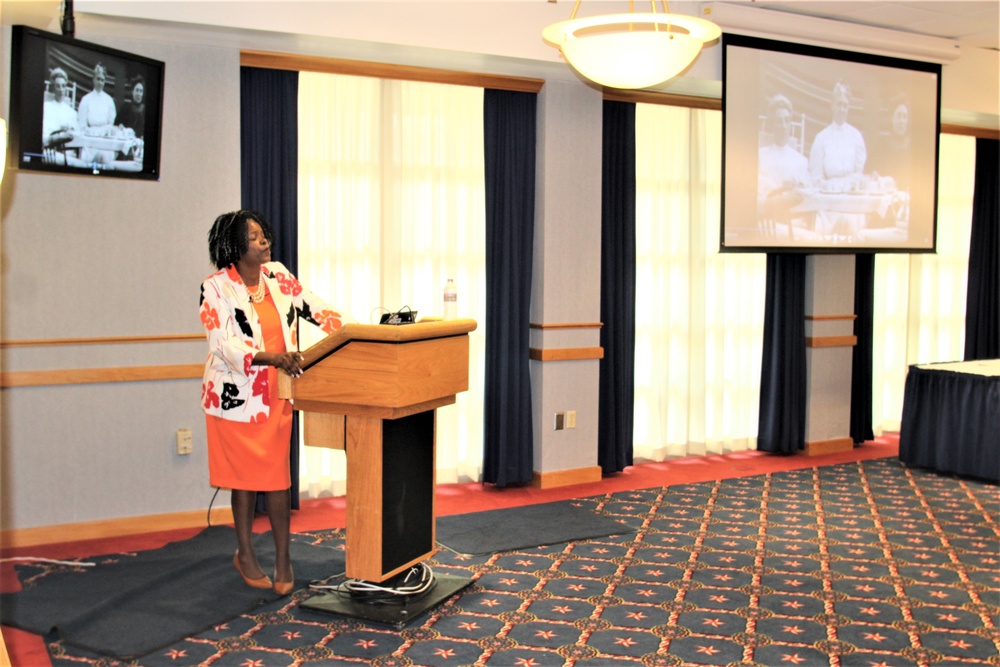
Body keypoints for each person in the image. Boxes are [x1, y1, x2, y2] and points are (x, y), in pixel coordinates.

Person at [199, 209, 352, 595]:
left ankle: (284, 558)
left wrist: (359, 330)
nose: (264, 240)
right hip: (236, 396)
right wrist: (272, 358)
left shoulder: (279, 275)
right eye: (253, 237)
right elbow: (223, 345)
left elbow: (316, 308)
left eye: (263, 233)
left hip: (277, 391)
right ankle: (246, 554)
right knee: (244, 482)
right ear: (234, 245)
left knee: (277, 478)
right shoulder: (215, 287)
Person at [808, 81, 868, 238]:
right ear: (832, 105)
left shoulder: (856, 137)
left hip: (850, 201)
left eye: (845, 105)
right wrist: (829, 189)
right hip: (829, 204)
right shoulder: (821, 138)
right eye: (839, 104)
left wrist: (849, 187)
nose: (842, 109)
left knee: (852, 222)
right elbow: (816, 178)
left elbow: (858, 173)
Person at [757, 93, 810, 237]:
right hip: (766, 221)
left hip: (793, 221)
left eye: (787, 121)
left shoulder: (800, 160)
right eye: (779, 121)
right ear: (772, 124)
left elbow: (805, 197)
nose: (784, 126)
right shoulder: (760, 156)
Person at [76, 62, 117, 164]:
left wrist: (105, 133)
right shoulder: (86, 99)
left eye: (102, 80)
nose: (100, 82)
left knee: (106, 158)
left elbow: (111, 123)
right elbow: (82, 123)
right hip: (90, 138)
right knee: (86, 160)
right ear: (93, 80)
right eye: (98, 79)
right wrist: (90, 134)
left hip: (105, 139)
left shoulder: (109, 100)